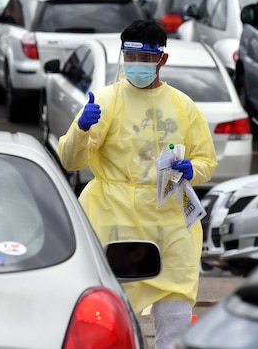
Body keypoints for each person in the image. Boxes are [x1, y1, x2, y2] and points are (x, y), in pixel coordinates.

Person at [58, 19, 217, 349]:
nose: (136, 66)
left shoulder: (184, 107)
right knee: (111, 312)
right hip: (115, 219)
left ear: (162, 60)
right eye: (130, 58)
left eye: (145, 59)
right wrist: (82, 129)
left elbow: (206, 161)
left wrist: (193, 170)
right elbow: (71, 160)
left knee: (175, 312)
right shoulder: (105, 102)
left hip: (170, 222)